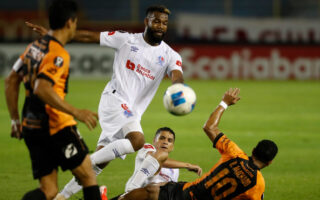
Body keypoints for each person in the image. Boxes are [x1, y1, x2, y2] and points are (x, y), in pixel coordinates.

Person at [27, 5, 185, 200]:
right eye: (156, 21)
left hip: (131, 113)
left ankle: (61, 196)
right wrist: (56, 36)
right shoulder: (126, 39)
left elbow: (177, 75)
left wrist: (179, 89)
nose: (161, 26)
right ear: (147, 21)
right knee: (137, 140)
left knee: (99, 164)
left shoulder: (170, 55)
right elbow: (89, 37)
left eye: (164, 22)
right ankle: (81, 160)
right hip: (114, 99)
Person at [4, 0, 101, 199]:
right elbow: (42, 88)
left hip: (30, 125)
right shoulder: (59, 54)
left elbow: (11, 80)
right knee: (88, 176)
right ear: (70, 23)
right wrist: (77, 112)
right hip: (55, 126)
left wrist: (15, 119)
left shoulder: (33, 47)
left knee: (48, 191)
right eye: (76, 22)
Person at [115, 88, 278, 200]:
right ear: (270, 162)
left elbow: (209, 127)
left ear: (254, 150)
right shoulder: (258, 184)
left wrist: (224, 103)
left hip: (185, 194)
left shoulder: (235, 153)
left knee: (149, 192)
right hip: (184, 192)